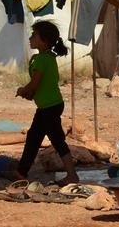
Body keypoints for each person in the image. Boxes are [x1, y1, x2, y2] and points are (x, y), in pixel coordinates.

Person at [12, 21, 79, 184]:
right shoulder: (47, 57)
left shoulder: (42, 60)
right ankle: (22, 171)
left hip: (49, 108)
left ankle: (72, 175)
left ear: (45, 41)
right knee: (34, 137)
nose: (30, 38)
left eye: (34, 35)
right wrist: (30, 94)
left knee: (56, 140)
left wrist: (24, 90)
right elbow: (41, 86)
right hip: (48, 106)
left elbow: (35, 84)